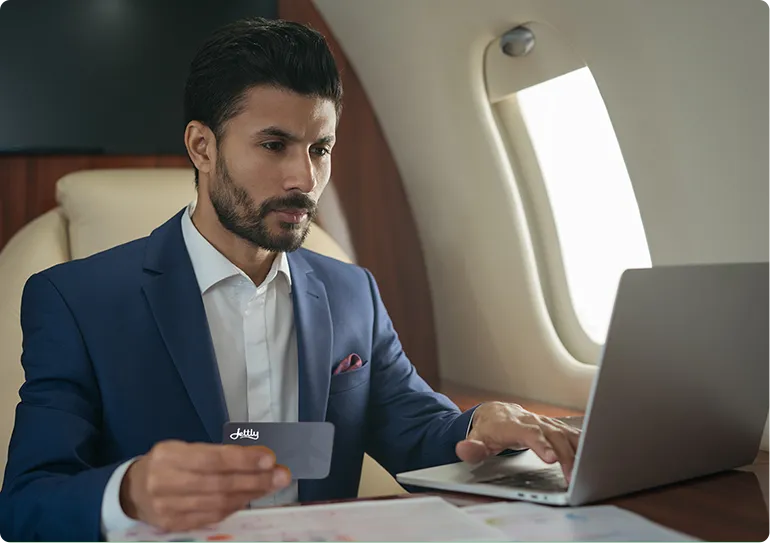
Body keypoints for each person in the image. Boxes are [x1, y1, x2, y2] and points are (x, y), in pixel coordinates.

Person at [0, 17, 580, 541]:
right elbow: (26, 504)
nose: (304, 177)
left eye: (320, 148)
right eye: (274, 145)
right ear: (203, 147)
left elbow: (419, 431)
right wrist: (128, 493)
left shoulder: (353, 293)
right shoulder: (76, 302)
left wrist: (481, 422)